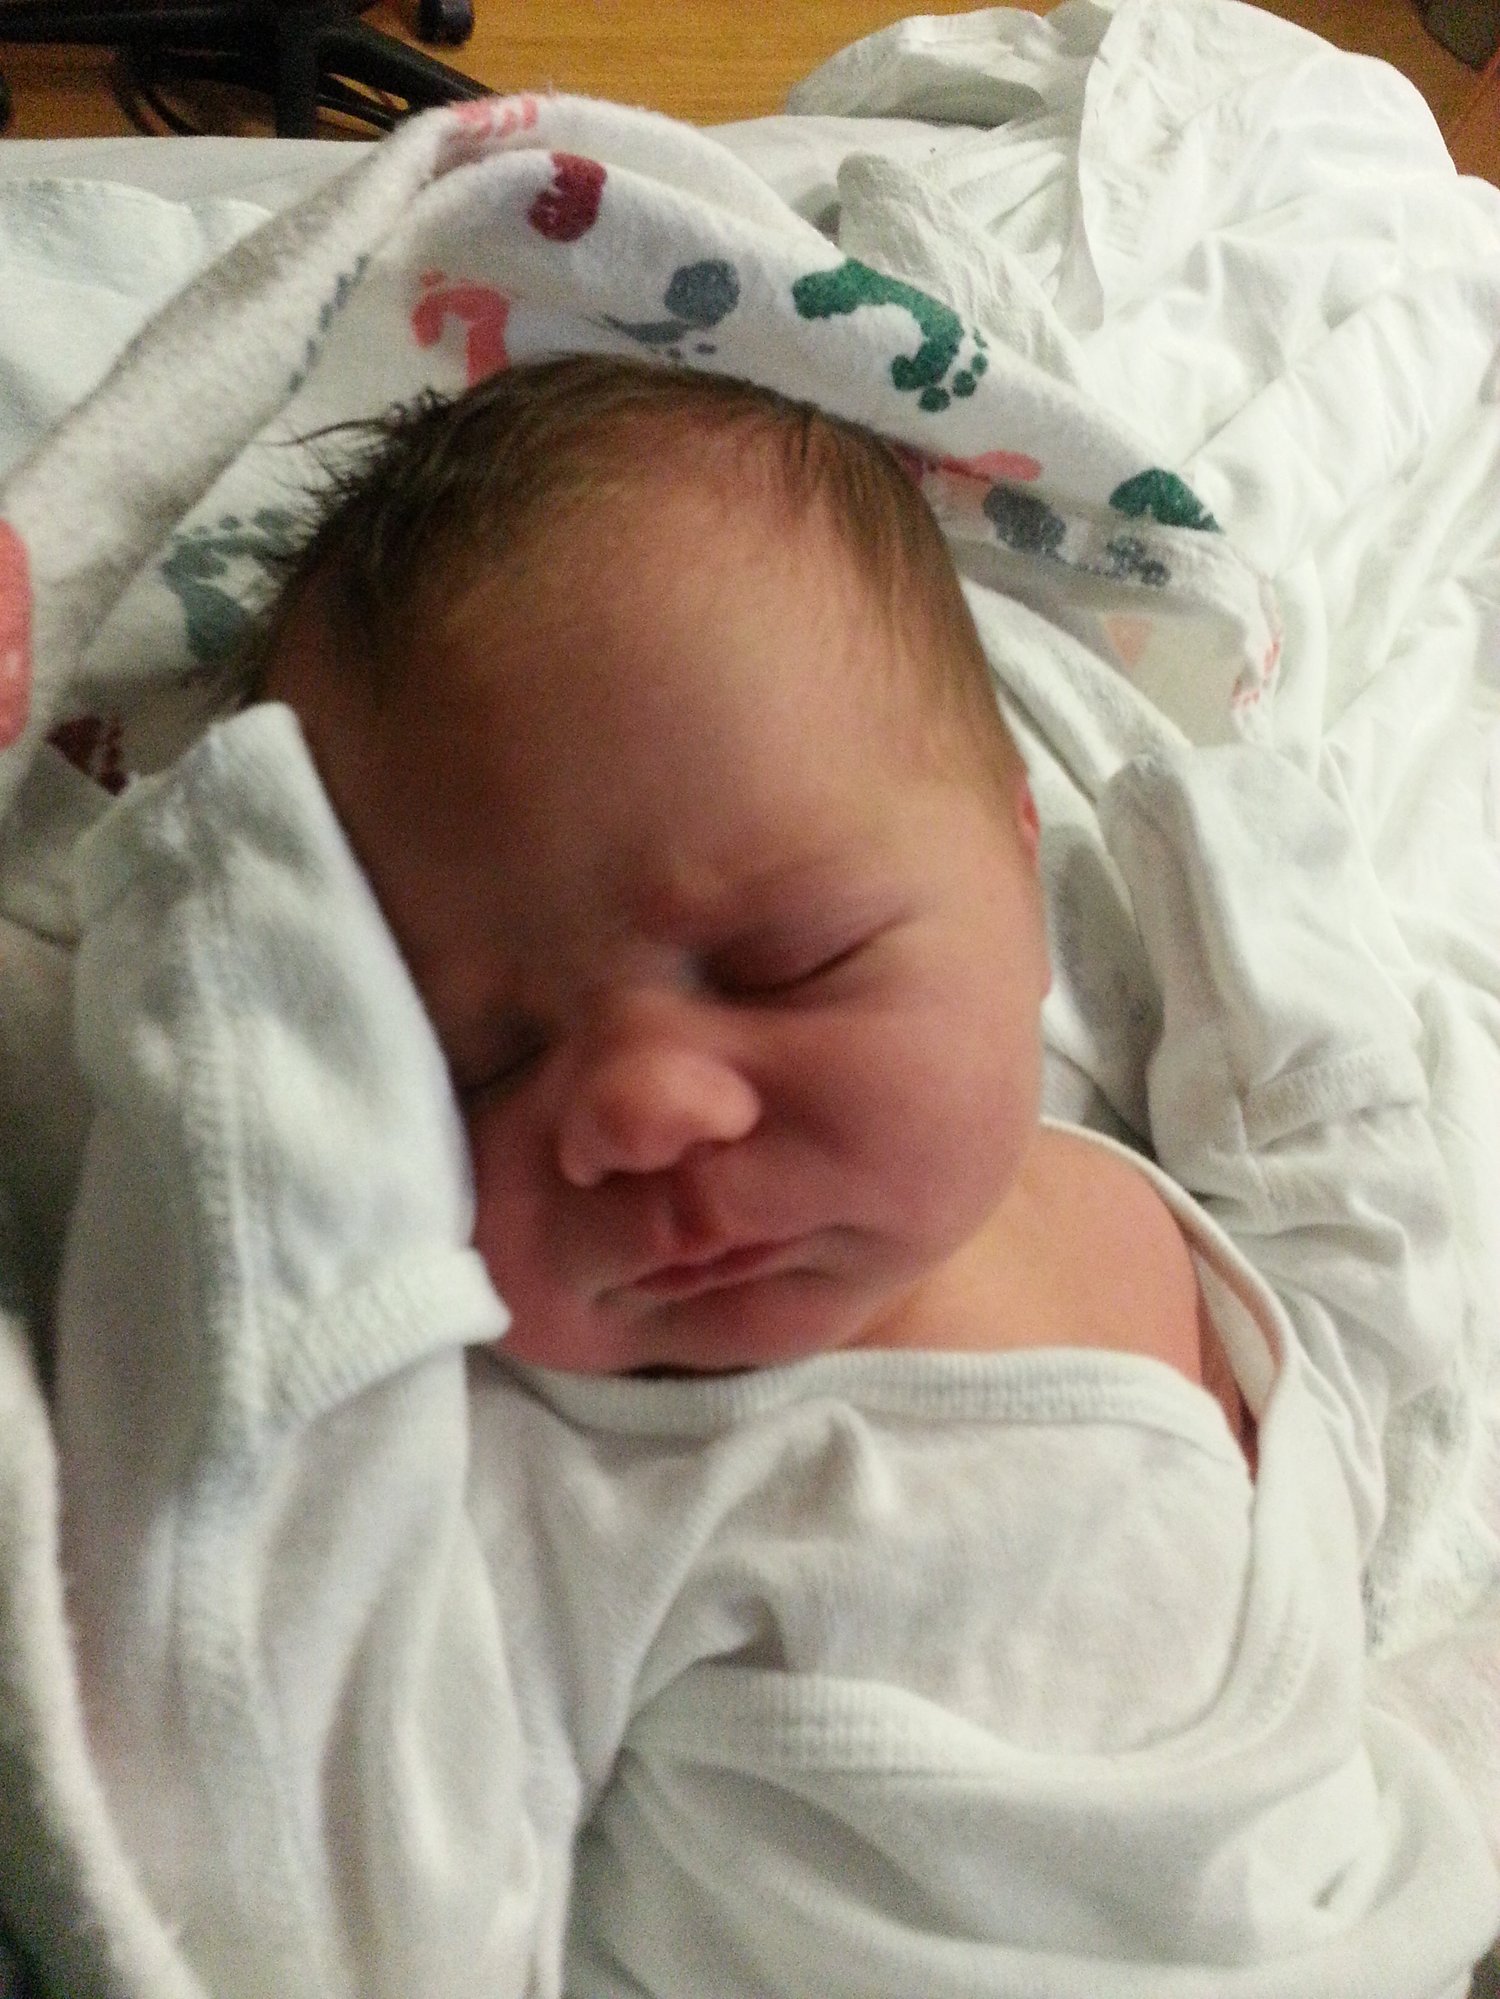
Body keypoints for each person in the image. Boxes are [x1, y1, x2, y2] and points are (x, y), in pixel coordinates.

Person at [52, 355, 1499, 1997]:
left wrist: (1271, 950)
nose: (640, 1116)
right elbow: (332, 1877)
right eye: (472, 1067)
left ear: (1017, 861)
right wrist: (242, 1145)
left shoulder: (1120, 1203)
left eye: (784, 961)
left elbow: (1361, 1346)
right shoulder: (562, 1474)